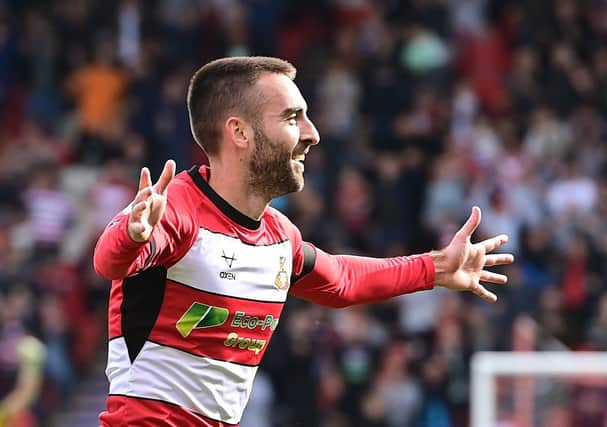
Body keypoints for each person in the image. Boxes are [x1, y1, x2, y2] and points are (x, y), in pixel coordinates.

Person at [93, 56, 514, 426]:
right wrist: (132, 233)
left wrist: (438, 268)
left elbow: (342, 281)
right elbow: (110, 262)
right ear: (239, 132)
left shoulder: (280, 236)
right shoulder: (176, 213)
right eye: (293, 118)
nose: (312, 133)